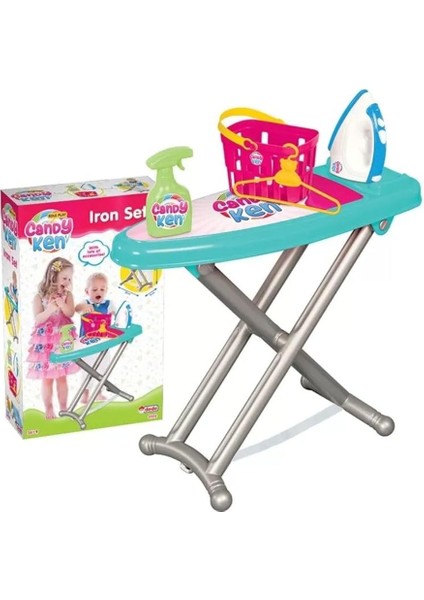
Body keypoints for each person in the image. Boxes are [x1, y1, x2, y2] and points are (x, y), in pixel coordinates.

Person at [27, 257, 79, 419]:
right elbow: (38, 318)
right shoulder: (39, 296)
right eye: (64, 278)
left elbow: (70, 313)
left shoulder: (68, 295)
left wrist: (62, 304)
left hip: (63, 339)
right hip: (46, 343)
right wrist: (49, 309)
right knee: (47, 379)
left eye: (70, 278)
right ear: (53, 276)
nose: (68, 281)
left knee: (62, 378)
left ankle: (64, 407)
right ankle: (48, 408)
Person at [75, 272, 115, 404]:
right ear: (87, 291)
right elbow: (76, 308)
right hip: (86, 343)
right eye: (95, 289)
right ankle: (85, 393)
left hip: (103, 343)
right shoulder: (85, 303)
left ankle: (98, 392)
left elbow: (117, 314)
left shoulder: (109, 304)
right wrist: (84, 307)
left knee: (103, 367)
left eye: (102, 289)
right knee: (86, 369)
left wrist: (115, 315)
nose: (99, 292)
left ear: (106, 290)